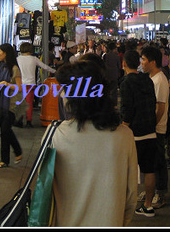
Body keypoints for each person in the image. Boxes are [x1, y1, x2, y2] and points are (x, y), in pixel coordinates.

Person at [46, 60, 138, 226]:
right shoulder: (124, 136)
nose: (61, 95)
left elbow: (44, 190)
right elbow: (131, 196)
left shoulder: (55, 135)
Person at [119, 50, 158, 218]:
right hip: (150, 129)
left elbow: (127, 109)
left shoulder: (126, 83)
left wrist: (123, 126)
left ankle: (127, 205)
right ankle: (148, 206)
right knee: (149, 169)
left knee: (128, 170)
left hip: (133, 132)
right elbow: (153, 103)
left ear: (124, 64)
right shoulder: (147, 80)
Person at [140, 45, 170, 209]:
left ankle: (160, 192)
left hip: (156, 128)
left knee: (158, 161)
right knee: (150, 161)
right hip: (151, 127)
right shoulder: (152, 78)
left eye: (143, 59)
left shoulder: (159, 80)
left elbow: (161, 107)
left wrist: (152, 125)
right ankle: (150, 191)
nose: (142, 63)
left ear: (152, 62)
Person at [0, 43, 23, 168]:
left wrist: (6, 84)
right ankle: (17, 151)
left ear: (6, 53)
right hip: (0, 103)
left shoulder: (14, 68)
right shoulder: (1, 66)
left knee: (5, 131)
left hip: (11, 104)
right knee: (6, 131)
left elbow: (19, 88)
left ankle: (5, 160)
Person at [17, 42, 56, 128]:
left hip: (20, 84)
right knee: (29, 103)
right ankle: (28, 121)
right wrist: (55, 71)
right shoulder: (34, 59)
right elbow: (45, 67)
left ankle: (19, 120)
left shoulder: (18, 59)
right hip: (30, 84)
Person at [103, 40, 123, 106]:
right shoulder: (116, 56)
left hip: (107, 75)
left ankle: (107, 103)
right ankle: (114, 105)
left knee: (107, 90)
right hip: (114, 75)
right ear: (114, 49)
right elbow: (119, 66)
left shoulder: (105, 56)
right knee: (114, 91)